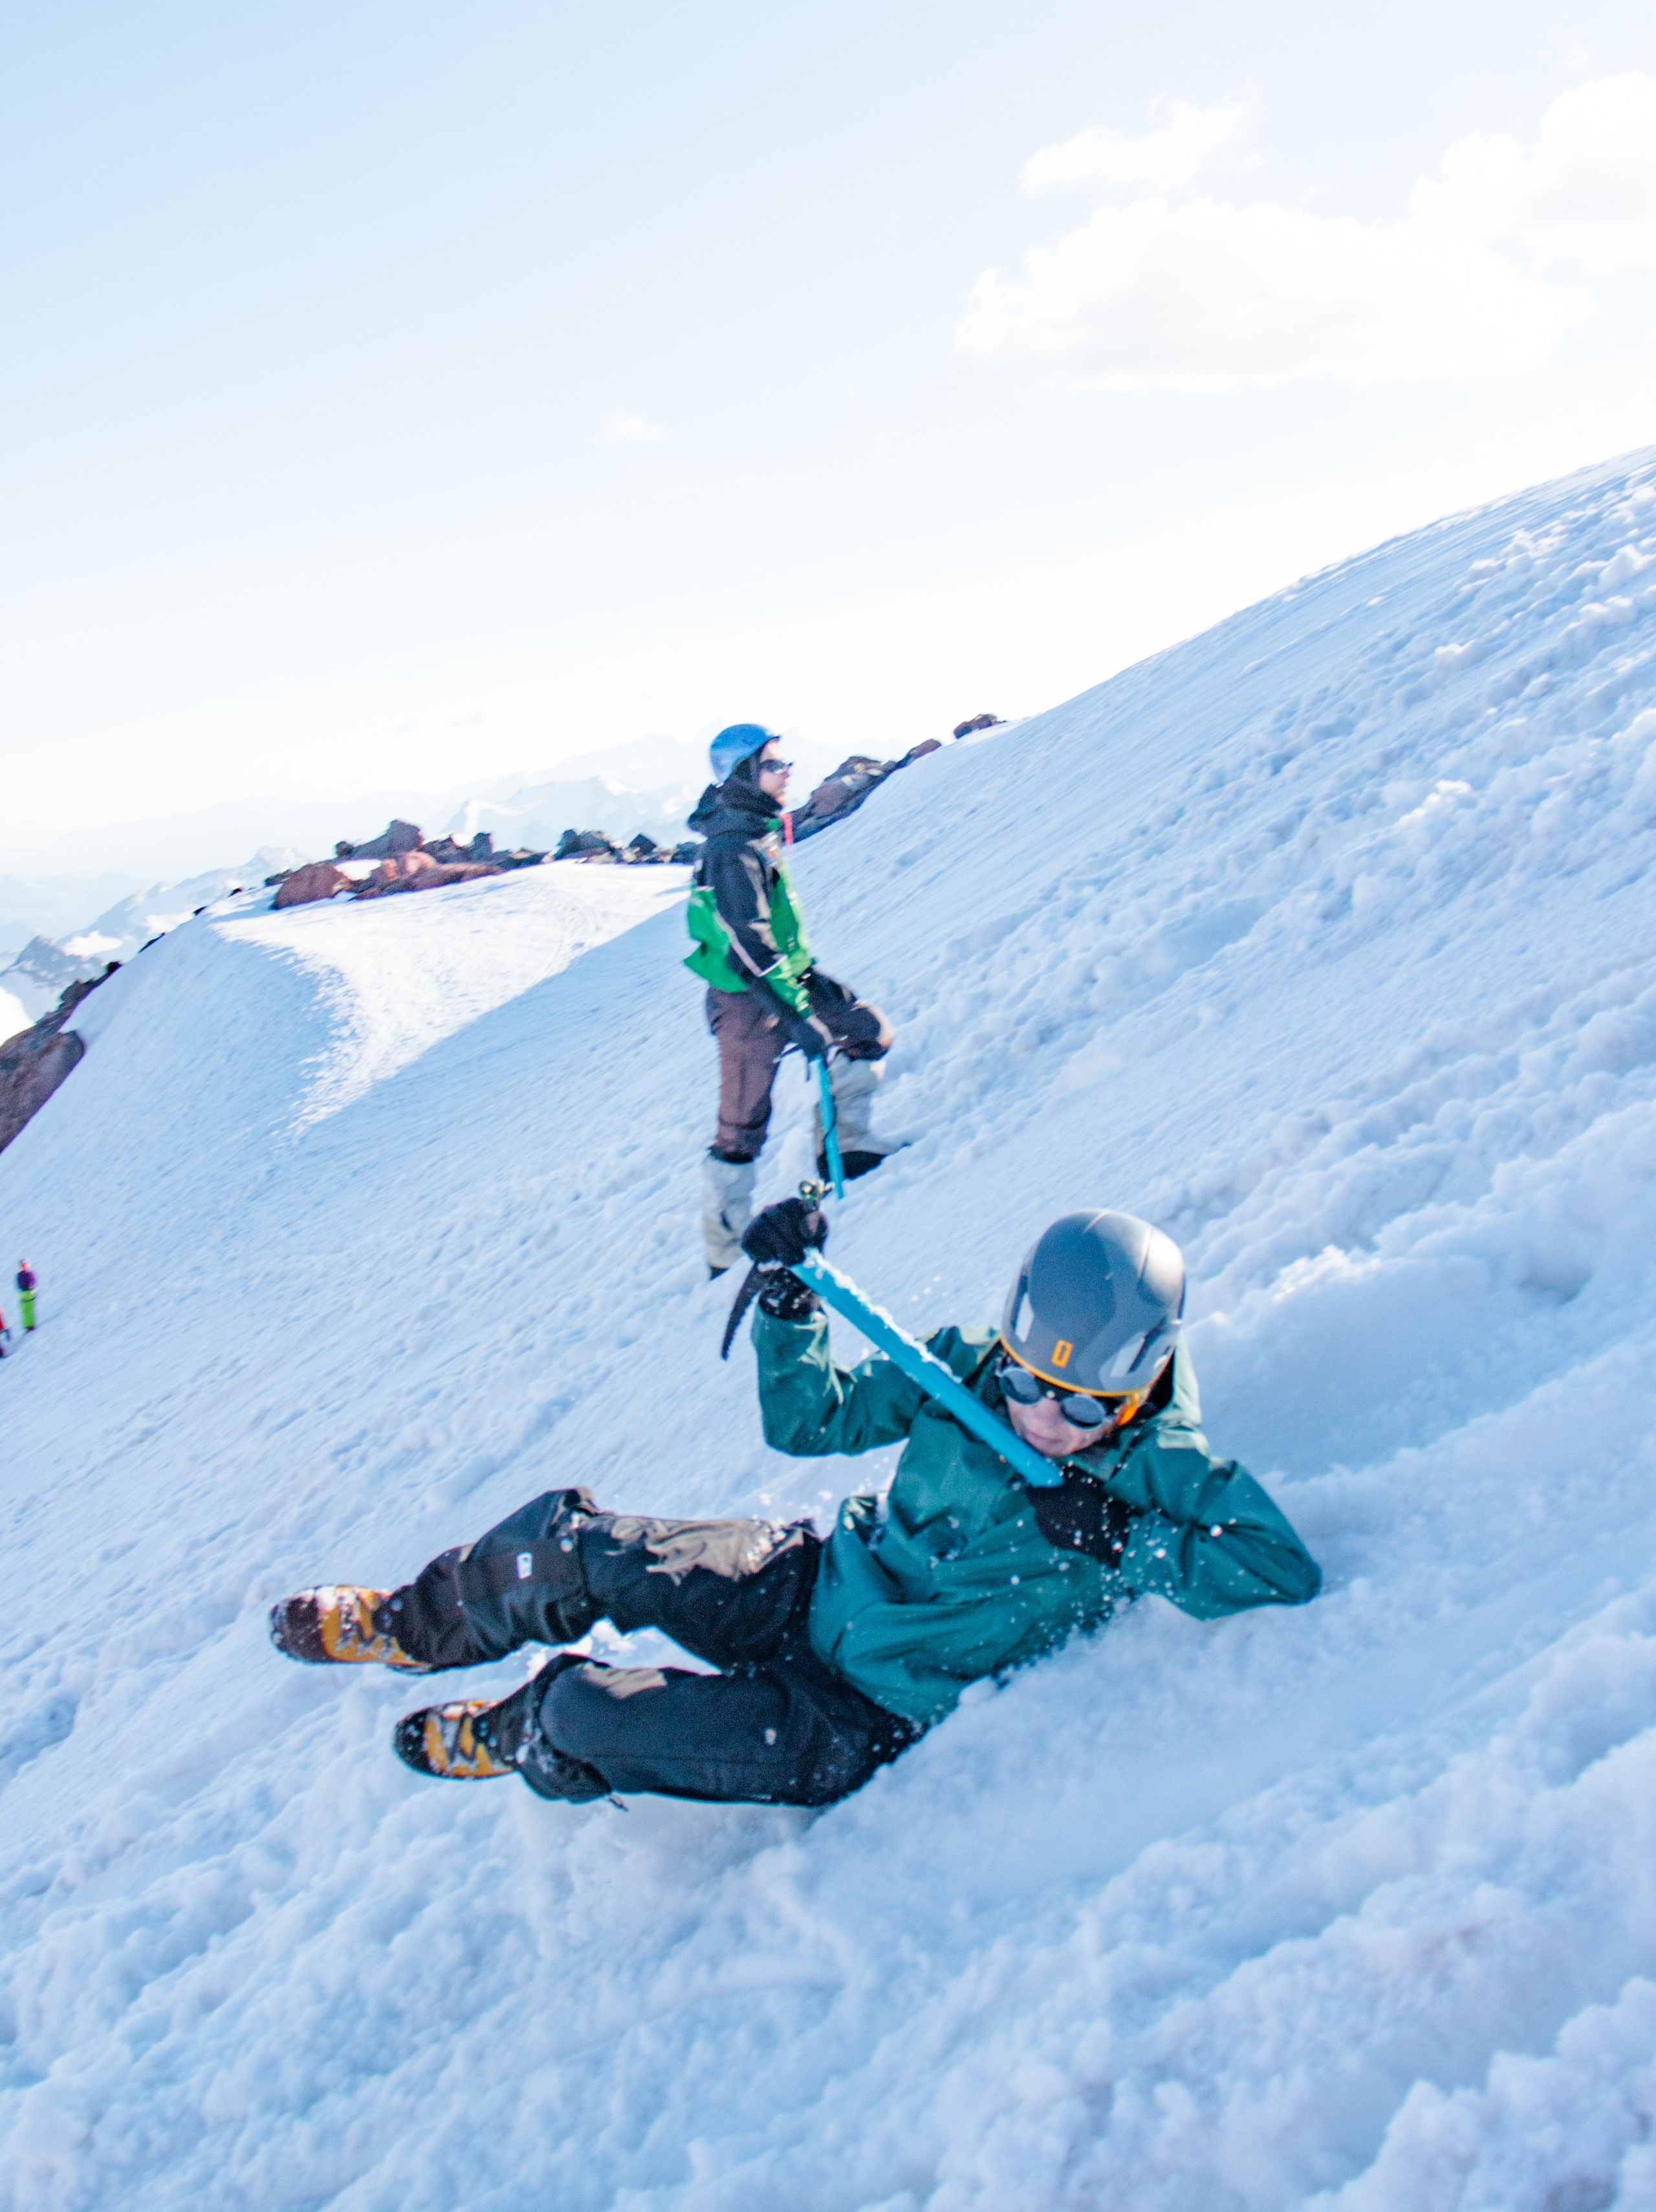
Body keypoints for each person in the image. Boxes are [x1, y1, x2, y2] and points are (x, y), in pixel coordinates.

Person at [270, 1200, 1320, 1808]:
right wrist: (790, 1309)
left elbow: (1278, 1567)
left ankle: (520, 1732)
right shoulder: (964, 1374)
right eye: (1025, 1380)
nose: (1040, 1415)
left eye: (1079, 1403)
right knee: (579, 1549)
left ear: (1139, 1378)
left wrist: (1125, 1537)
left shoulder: (1158, 1467)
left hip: (860, 1714)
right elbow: (810, 1421)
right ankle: (415, 1625)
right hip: (813, 1582)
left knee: (587, 1711)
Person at [684, 723, 905, 1275]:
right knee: (741, 1128)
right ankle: (726, 1249)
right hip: (745, 1001)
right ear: (745, 774)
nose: (788, 774)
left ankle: (849, 1150)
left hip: (787, 979)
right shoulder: (731, 846)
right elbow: (749, 942)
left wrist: (810, 990)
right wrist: (798, 1015)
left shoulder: (755, 829)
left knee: (865, 1031)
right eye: (776, 765)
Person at [15, 1261, 36, 1332]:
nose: (24, 1266)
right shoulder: (20, 1275)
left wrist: (31, 1289)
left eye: (25, 1265)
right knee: (25, 1311)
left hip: (29, 1293)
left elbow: (33, 1283)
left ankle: (31, 1325)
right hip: (24, 1294)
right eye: (23, 1265)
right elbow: (19, 1285)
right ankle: (28, 1326)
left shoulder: (29, 1273)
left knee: (29, 1310)